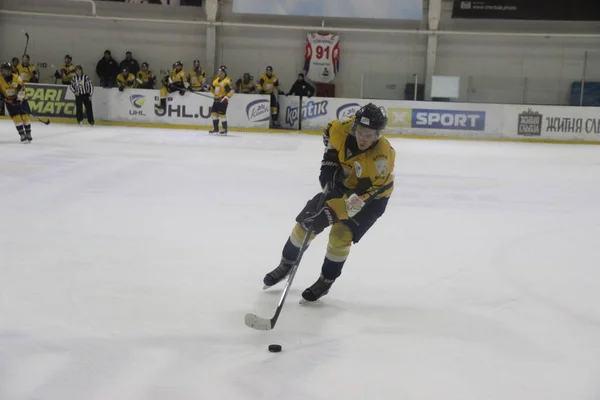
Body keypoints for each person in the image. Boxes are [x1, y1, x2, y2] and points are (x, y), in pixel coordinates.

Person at [263, 103, 395, 302]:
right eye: (360, 132)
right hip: (344, 183)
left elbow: (361, 197)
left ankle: (326, 279)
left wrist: (330, 213)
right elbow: (329, 134)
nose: (362, 138)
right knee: (304, 225)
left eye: (369, 135)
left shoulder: (381, 159)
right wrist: (329, 163)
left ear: (378, 134)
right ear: (355, 126)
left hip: (371, 198)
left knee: (340, 234)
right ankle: (286, 264)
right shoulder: (343, 127)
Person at [0, 62, 33, 143]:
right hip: (9, 100)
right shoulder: (0, 79)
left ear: (10, 70)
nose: (3, 72)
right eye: (2, 70)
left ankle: (28, 133)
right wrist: (4, 98)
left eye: (5, 70)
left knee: (25, 116)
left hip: (21, 99)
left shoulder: (17, 78)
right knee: (16, 118)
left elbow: (22, 89)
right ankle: (22, 134)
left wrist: (19, 99)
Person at [208, 65, 233, 135]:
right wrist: (209, 88)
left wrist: (226, 97)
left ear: (225, 73)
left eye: (222, 72)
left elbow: (231, 91)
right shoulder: (216, 81)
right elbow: (214, 91)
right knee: (214, 114)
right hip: (216, 100)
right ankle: (216, 129)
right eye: (220, 72)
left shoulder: (226, 82)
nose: (220, 74)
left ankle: (225, 129)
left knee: (222, 115)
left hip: (222, 100)